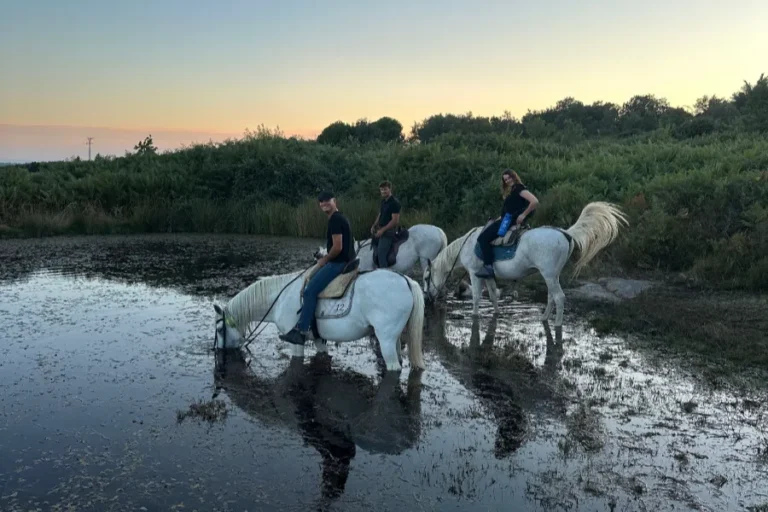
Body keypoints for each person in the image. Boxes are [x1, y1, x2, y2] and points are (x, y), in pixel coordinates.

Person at [279, 190, 355, 345]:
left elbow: (338, 247)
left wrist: (324, 260)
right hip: (346, 260)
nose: (324, 204)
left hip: (338, 263)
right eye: (321, 202)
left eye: (327, 200)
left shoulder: (334, 219)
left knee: (309, 291)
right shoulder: (341, 217)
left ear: (335, 201)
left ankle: (301, 331)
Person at [475, 170, 539, 279]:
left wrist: (523, 215)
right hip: (506, 219)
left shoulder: (519, 188)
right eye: (505, 179)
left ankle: (488, 267)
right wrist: (498, 219)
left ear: (514, 177)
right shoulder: (513, 190)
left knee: (482, 238)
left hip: (509, 221)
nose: (508, 181)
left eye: (509, 178)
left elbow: (534, 201)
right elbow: (509, 209)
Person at [370, 181, 401, 268]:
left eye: (385, 189)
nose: (383, 191)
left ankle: (384, 273)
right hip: (381, 229)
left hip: (389, 232)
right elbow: (380, 214)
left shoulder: (395, 203)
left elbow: (395, 221)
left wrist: (382, 230)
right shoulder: (383, 201)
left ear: (390, 189)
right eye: (381, 190)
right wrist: (374, 225)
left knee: (381, 253)